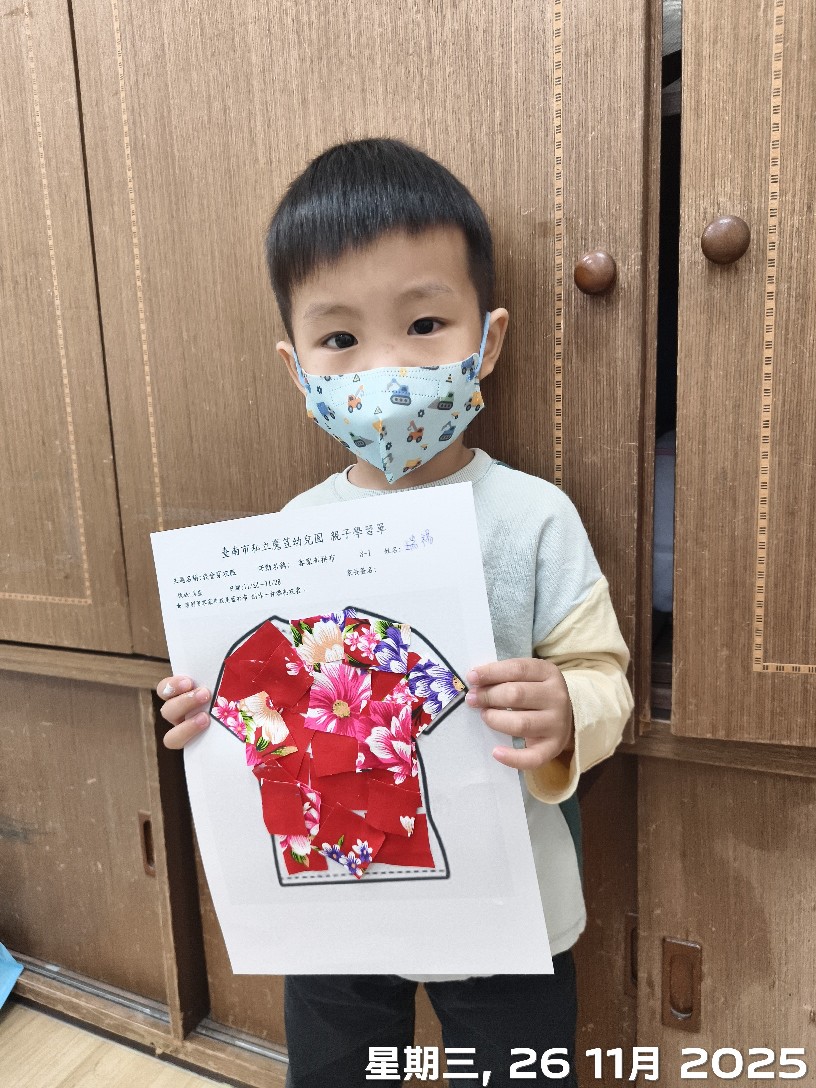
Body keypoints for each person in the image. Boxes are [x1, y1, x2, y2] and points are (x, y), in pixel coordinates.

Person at [157, 137, 634, 1088]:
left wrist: (567, 710)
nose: (384, 367)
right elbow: (262, 702)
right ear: (297, 369)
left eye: (423, 324)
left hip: (507, 905)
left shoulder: (533, 517)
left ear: (485, 342)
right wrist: (205, 713)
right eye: (340, 341)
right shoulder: (289, 534)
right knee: (335, 1069)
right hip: (335, 902)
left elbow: (602, 677)